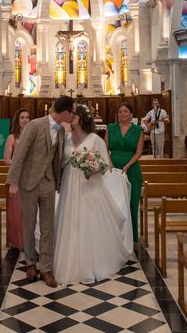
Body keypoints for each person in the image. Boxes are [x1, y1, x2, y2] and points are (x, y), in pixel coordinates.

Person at [54, 104, 132, 285]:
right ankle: (71, 262)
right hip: (70, 184)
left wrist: (92, 168)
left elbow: (105, 165)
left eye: (74, 115)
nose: (71, 117)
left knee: (88, 220)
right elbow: (62, 161)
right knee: (71, 220)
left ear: (82, 118)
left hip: (90, 185)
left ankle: (91, 262)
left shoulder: (95, 139)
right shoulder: (66, 138)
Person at [7, 96, 76, 288]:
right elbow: (19, 154)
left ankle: (45, 267)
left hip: (48, 182)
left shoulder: (62, 130)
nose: (74, 115)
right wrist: (13, 182)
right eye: (73, 112)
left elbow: (58, 158)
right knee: (29, 225)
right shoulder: (35, 125)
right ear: (65, 113)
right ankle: (31, 263)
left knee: (48, 227)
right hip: (28, 183)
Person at [106, 102, 144, 244]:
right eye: (120, 111)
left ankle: (132, 237)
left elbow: (139, 152)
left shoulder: (138, 130)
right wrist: (110, 163)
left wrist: (128, 165)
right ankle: (114, 236)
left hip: (132, 169)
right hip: (113, 169)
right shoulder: (110, 128)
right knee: (115, 203)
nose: (122, 114)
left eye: (125, 111)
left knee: (131, 203)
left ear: (131, 114)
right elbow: (106, 148)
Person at [3, 108, 30, 250]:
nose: (25, 120)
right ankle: (19, 242)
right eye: (22, 117)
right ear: (17, 121)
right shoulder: (12, 138)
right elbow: (6, 160)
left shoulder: (32, 136)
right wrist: (18, 162)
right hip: (16, 179)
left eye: (27, 117)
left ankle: (29, 242)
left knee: (28, 212)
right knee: (17, 212)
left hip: (29, 179)